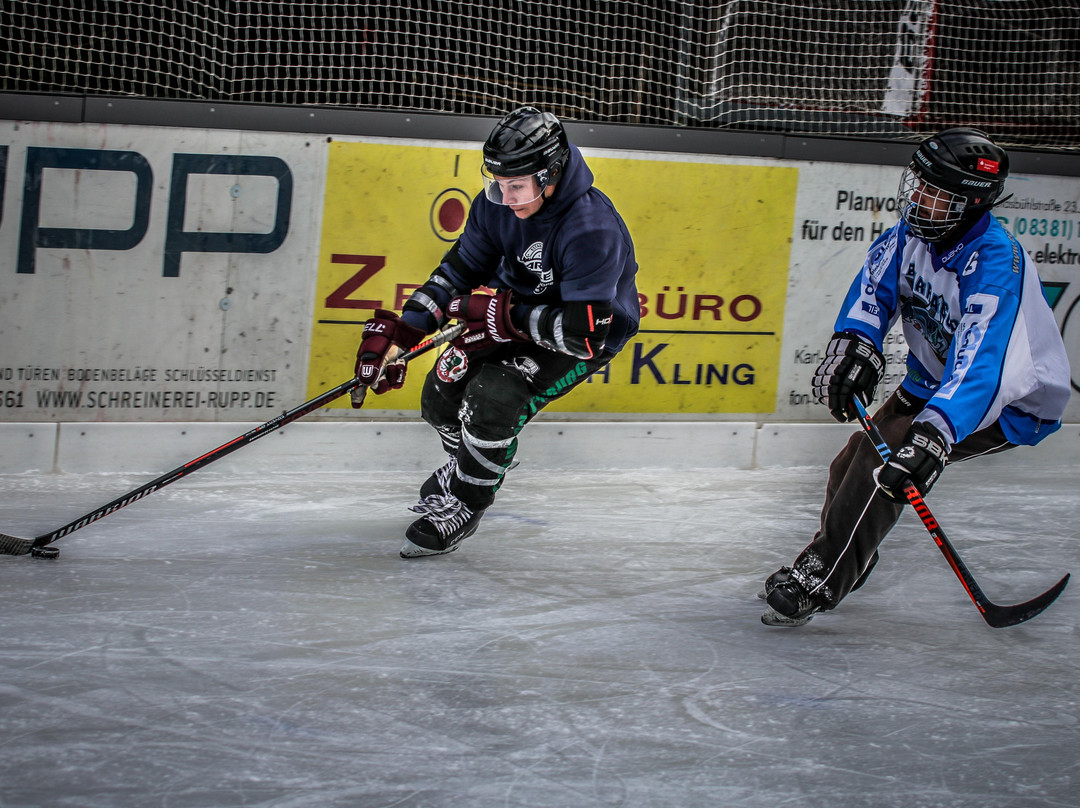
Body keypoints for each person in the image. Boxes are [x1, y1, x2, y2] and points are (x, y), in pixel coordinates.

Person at [762, 127, 1071, 627]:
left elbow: (983, 368)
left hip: (1011, 404)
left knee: (883, 466)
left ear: (969, 203)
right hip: (933, 380)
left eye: (935, 192)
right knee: (849, 465)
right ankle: (849, 555)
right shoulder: (909, 235)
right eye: (919, 184)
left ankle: (821, 577)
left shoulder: (995, 265)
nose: (918, 197)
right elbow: (873, 293)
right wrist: (855, 346)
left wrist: (936, 434)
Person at [353, 106, 640, 558]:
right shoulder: (496, 203)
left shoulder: (591, 227)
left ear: (550, 175)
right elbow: (458, 270)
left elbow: (583, 335)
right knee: (439, 392)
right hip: (512, 313)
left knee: (494, 395)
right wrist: (403, 334)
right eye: (497, 183)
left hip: (584, 335)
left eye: (516, 186)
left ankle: (467, 503)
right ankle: (462, 465)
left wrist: (504, 317)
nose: (503, 198)